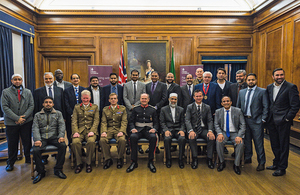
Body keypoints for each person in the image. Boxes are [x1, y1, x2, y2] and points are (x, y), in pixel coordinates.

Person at [266, 68, 300, 176]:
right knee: (274, 144)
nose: (279, 77)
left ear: (284, 75)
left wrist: (287, 118)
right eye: (277, 75)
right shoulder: (269, 87)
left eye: (281, 75)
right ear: (273, 77)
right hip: (271, 121)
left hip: (283, 121)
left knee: (283, 145)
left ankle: (282, 167)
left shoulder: (291, 87)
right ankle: (276, 163)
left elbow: (295, 106)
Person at [1, 74, 34, 171]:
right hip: (12, 123)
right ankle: (11, 162)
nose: (17, 81)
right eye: (15, 79)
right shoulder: (6, 92)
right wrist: (16, 118)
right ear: (12, 81)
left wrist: (24, 117)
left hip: (26, 121)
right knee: (12, 143)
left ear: (22, 80)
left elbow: (31, 106)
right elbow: (5, 107)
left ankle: (28, 158)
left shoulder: (28, 92)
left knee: (27, 141)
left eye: (19, 79)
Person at [236, 73, 268, 171]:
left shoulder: (262, 91)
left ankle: (261, 162)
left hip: (257, 121)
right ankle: (248, 157)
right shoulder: (242, 92)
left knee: (258, 143)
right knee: (247, 141)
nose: (251, 81)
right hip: (245, 121)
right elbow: (238, 106)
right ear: (246, 80)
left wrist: (263, 119)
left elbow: (266, 106)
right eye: (249, 80)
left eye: (253, 80)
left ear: (256, 80)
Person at [32, 96, 67, 184]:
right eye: (46, 102)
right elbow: (35, 128)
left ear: (53, 104)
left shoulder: (58, 113)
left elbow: (62, 126)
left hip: (54, 137)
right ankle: (41, 172)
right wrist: (37, 139)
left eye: (50, 102)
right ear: (43, 104)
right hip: (42, 138)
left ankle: (58, 169)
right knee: (36, 150)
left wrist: (61, 136)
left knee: (63, 146)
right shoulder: (37, 115)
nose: (48, 104)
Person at [126, 93, 158, 173]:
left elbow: (156, 122)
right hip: (138, 130)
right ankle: (134, 162)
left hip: (149, 129)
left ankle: (150, 161)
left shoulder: (153, 109)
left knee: (153, 137)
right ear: (140, 99)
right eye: (142, 98)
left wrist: (154, 129)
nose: (144, 100)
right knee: (132, 137)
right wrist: (133, 128)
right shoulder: (135, 109)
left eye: (145, 98)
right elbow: (131, 121)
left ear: (148, 100)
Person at [215, 96, 246, 175]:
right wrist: (219, 133)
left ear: (231, 102)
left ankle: (236, 164)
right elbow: (216, 124)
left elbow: (243, 125)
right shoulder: (218, 111)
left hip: (235, 132)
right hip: (224, 132)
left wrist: (239, 136)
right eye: (224, 101)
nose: (226, 103)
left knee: (240, 143)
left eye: (228, 101)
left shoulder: (238, 111)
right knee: (219, 141)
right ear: (221, 103)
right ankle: (222, 162)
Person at [185, 89, 215, 169]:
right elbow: (187, 120)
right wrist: (190, 131)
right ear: (194, 97)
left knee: (211, 138)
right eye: (197, 96)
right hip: (194, 129)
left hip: (204, 129)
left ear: (203, 97)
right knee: (192, 137)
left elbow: (210, 120)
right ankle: (195, 159)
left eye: (200, 96)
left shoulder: (207, 107)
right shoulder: (189, 107)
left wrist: (210, 131)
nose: (198, 98)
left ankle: (209, 159)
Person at [72, 90, 99, 174]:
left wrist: (92, 131)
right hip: (79, 131)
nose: (85, 100)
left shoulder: (94, 107)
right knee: (75, 142)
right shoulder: (77, 107)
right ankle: (79, 163)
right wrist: (75, 132)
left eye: (87, 98)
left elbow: (96, 120)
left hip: (90, 131)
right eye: (84, 98)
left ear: (90, 98)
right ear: (81, 98)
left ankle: (88, 162)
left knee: (91, 141)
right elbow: (74, 121)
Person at [100, 93, 127, 169]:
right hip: (109, 129)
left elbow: (124, 121)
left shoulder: (122, 109)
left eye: (115, 98)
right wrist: (104, 132)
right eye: (111, 98)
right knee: (102, 140)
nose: (113, 100)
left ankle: (119, 158)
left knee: (122, 140)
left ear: (117, 100)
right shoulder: (105, 109)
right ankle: (108, 159)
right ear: (109, 100)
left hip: (118, 129)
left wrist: (122, 131)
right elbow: (104, 122)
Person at [123, 69, 146, 154]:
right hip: (129, 110)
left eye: (136, 75)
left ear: (138, 76)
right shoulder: (126, 85)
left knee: (138, 128)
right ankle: (129, 146)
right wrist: (130, 106)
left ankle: (139, 147)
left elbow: (143, 96)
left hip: (139, 109)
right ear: (131, 76)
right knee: (129, 128)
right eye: (133, 75)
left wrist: (135, 106)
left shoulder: (143, 85)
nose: (135, 76)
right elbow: (124, 97)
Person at [160, 93, 186, 168]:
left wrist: (182, 130)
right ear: (169, 99)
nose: (173, 101)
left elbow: (183, 122)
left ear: (177, 100)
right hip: (168, 130)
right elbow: (162, 122)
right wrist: (166, 130)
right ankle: (168, 159)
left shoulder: (181, 109)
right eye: (172, 99)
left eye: (175, 99)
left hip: (178, 130)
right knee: (167, 139)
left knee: (182, 139)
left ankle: (181, 159)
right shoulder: (163, 109)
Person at [145, 71, 167, 153]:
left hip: (159, 110)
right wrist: (150, 107)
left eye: (155, 76)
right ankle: (150, 146)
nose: (154, 77)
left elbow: (164, 97)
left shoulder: (163, 85)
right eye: (152, 76)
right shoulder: (147, 85)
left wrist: (157, 106)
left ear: (158, 77)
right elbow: (145, 97)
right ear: (151, 77)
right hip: (149, 110)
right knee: (150, 128)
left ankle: (156, 146)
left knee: (157, 128)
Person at [64, 73, 86, 148]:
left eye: (77, 78)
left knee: (81, 133)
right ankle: (71, 151)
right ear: (71, 80)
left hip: (82, 116)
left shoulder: (84, 89)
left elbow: (87, 102)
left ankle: (81, 150)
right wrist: (72, 114)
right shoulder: (66, 91)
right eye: (73, 78)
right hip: (70, 116)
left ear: (79, 80)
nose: (75, 79)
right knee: (71, 133)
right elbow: (66, 104)